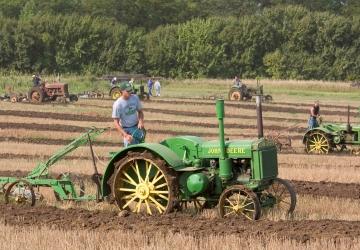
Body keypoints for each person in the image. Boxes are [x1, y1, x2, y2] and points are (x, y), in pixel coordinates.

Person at [112, 82, 145, 147]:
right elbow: (116, 123)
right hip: (126, 129)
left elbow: (140, 112)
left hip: (136, 127)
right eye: (128, 91)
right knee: (130, 150)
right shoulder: (118, 104)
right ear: (122, 91)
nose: (130, 92)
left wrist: (140, 122)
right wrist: (125, 135)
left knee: (141, 147)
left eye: (130, 90)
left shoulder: (135, 98)